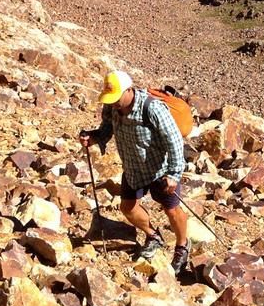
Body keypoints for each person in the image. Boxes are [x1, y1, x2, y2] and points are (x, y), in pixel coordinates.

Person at [79, 70, 189, 274]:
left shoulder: (152, 108)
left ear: (129, 90)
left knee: (172, 210)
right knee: (128, 207)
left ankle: (182, 245)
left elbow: (174, 141)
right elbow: (106, 129)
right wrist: (94, 137)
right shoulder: (112, 107)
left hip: (160, 170)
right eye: (110, 99)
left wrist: (174, 174)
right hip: (133, 168)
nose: (113, 103)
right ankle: (153, 235)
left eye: (116, 98)